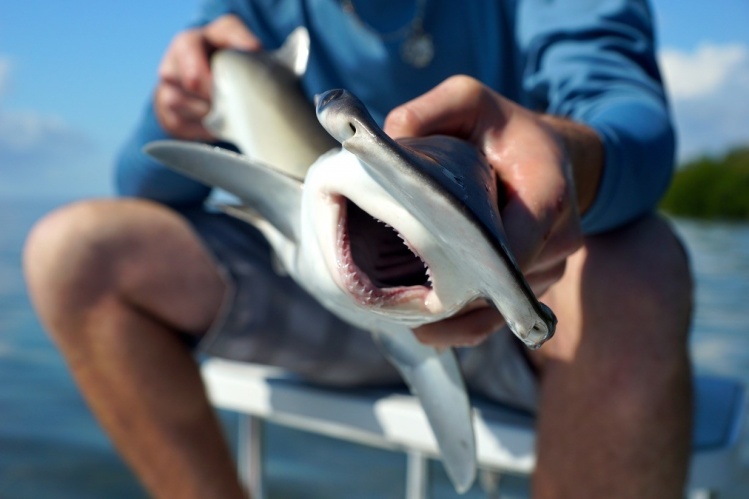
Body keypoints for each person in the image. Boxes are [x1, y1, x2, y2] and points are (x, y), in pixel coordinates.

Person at [24, 1, 693, 497]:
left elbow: (634, 128)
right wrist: (174, 106)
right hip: (311, 261)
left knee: (639, 265)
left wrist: (564, 160)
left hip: (508, 287)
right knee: (73, 251)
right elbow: (140, 187)